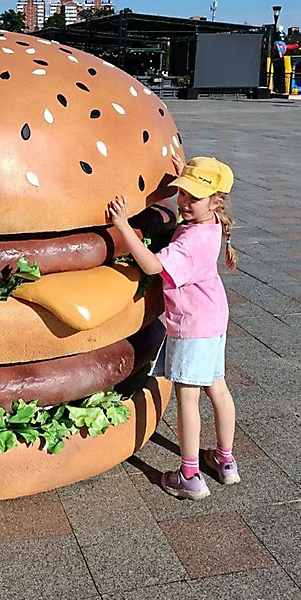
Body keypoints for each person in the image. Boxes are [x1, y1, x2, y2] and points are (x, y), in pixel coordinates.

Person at [107, 154, 239, 501]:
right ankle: (225, 461)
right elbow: (195, 201)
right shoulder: (211, 224)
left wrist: (122, 225)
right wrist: (185, 174)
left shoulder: (189, 243)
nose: (184, 202)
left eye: (193, 198)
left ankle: (190, 475)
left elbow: (152, 266)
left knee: (187, 398)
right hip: (213, 317)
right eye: (182, 193)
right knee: (217, 387)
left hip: (192, 324)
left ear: (215, 202)